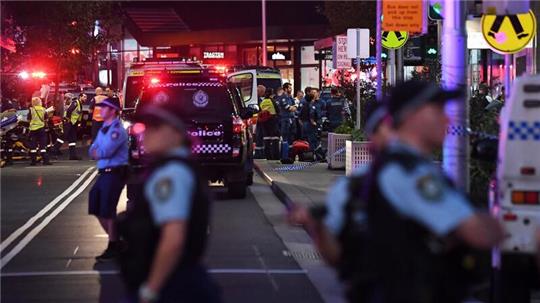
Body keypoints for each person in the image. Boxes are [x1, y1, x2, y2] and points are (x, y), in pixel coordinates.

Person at [361, 81, 504, 303]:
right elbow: (480, 233)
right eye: (437, 110)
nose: (447, 119)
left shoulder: (413, 167)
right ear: (411, 115)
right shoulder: (408, 173)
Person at [289, 102, 393, 302]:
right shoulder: (353, 187)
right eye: (394, 126)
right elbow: (335, 254)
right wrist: (317, 225)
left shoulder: (426, 178)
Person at [118, 100, 221, 303]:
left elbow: (173, 238)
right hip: (181, 280)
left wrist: (151, 290)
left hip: (173, 285)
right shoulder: (175, 168)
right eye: (144, 126)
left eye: (155, 127)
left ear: (177, 133)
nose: (146, 132)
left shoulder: (171, 174)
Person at [88, 97, 128, 261]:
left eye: (104, 108)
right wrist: (96, 151)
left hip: (114, 173)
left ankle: (114, 245)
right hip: (104, 172)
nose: (101, 110)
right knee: (95, 205)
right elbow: (92, 150)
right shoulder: (104, 128)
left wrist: (98, 152)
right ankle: (117, 241)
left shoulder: (116, 130)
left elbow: (106, 151)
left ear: (113, 110)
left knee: (107, 209)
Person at [54, 93, 85, 160]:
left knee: (72, 139)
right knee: (63, 136)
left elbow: (78, 115)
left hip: (73, 123)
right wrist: (68, 119)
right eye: (84, 97)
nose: (86, 98)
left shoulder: (79, 104)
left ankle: (72, 156)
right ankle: (54, 151)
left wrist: (78, 123)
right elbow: (69, 110)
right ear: (80, 97)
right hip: (68, 122)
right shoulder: (76, 103)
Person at [27, 97, 52, 166]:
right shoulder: (43, 109)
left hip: (33, 130)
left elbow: (28, 120)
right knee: (42, 146)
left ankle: (33, 161)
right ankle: (45, 161)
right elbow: (46, 120)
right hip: (41, 129)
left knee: (33, 146)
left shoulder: (31, 110)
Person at [259, 88, 280, 160]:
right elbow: (278, 110)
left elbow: (260, 111)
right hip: (273, 121)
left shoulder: (263, 102)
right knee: (275, 138)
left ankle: (268, 156)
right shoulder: (273, 101)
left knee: (266, 138)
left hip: (264, 122)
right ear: (272, 94)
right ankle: (275, 156)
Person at [254, 85, 266, 159]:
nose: (263, 94)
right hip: (258, 121)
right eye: (263, 92)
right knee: (259, 137)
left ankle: (260, 153)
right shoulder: (257, 100)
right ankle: (259, 154)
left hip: (258, 120)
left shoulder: (258, 99)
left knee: (260, 137)